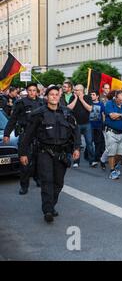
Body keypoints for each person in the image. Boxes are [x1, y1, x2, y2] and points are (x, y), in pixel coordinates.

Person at [18, 85, 81, 223]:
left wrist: (77, 148)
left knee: (58, 182)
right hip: (44, 152)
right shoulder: (38, 114)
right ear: (46, 97)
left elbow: (76, 131)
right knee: (47, 181)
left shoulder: (67, 113)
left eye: (56, 94)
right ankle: (47, 210)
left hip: (62, 153)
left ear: (59, 96)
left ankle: (51, 206)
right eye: (51, 94)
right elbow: (28, 135)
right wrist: (23, 153)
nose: (54, 96)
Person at [3, 83, 44, 194]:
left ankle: (38, 178)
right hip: (25, 135)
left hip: (39, 135)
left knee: (39, 160)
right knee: (24, 162)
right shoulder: (21, 103)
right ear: (27, 91)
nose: (32, 92)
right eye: (30, 90)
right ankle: (24, 186)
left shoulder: (42, 102)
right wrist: (6, 134)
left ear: (37, 91)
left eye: (34, 90)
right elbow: (13, 119)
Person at [67, 84, 95, 168]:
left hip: (87, 124)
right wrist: (76, 98)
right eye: (75, 90)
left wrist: (82, 100)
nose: (75, 91)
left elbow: (90, 109)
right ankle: (76, 161)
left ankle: (92, 161)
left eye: (77, 90)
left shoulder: (87, 97)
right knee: (77, 144)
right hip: (76, 125)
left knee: (89, 143)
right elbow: (69, 108)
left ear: (82, 90)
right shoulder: (72, 97)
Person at [103, 90, 122, 179]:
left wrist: (119, 115)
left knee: (121, 154)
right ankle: (112, 171)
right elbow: (112, 116)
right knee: (112, 153)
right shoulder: (110, 104)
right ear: (115, 98)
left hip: (121, 133)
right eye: (120, 100)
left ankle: (108, 162)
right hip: (111, 132)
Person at [89, 90, 105, 166]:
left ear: (97, 96)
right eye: (91, 94)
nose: (92, 96)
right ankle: (89, 156)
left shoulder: (101, 104)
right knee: (89, 142)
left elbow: (103, 114)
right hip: (90, 126)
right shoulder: (89, 103)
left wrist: (103, 124)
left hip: (98, 126)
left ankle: (97, 157)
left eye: (93, 94)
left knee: (98, 142)